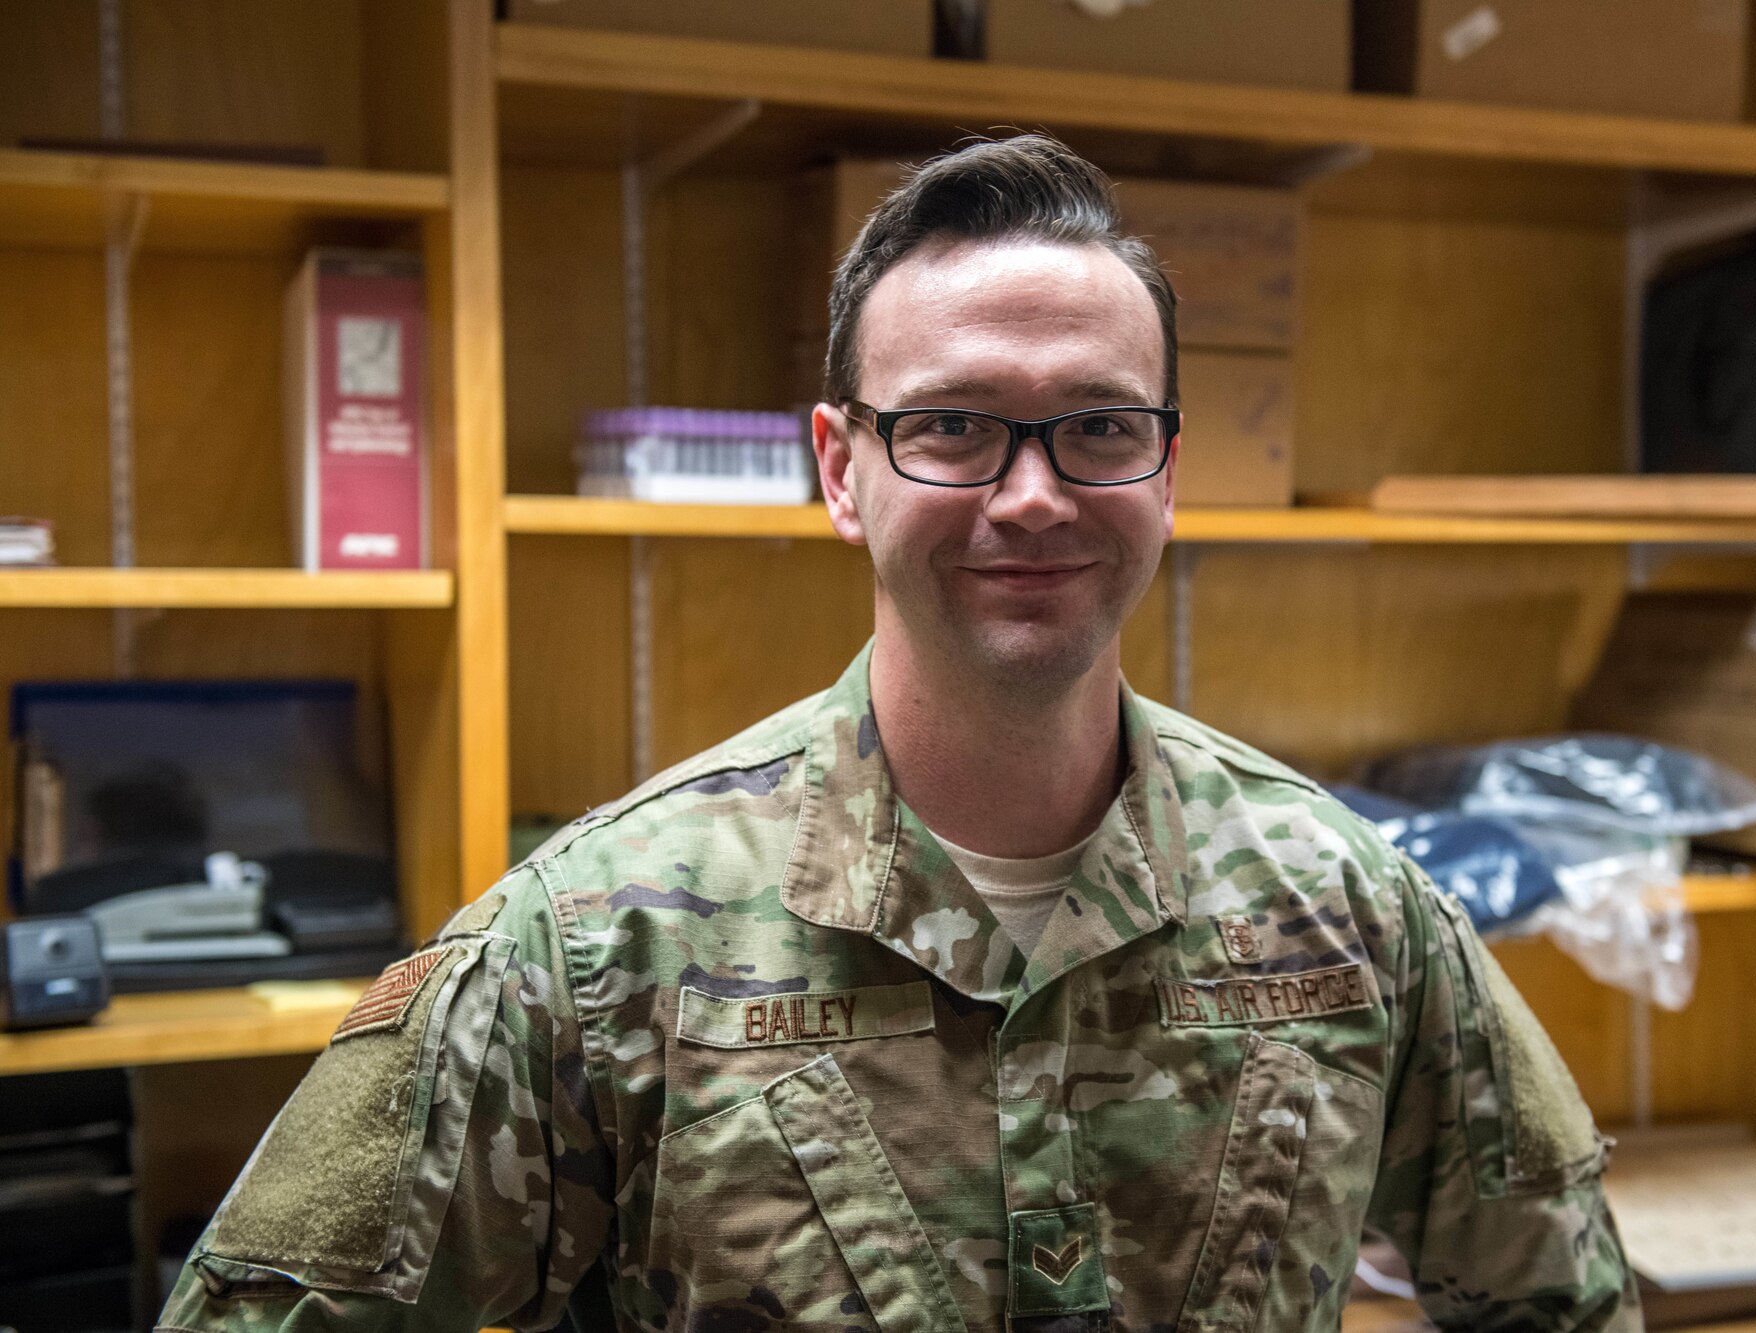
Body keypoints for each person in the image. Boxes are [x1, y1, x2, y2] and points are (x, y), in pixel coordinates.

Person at [159, 134, 1640, 1333]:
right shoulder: (600, 944)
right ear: (839, 466)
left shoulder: (1347, 908)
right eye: (951, 425)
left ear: (1169, 469)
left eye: (1100, 426)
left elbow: (1564, 1298)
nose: (1035, 495)